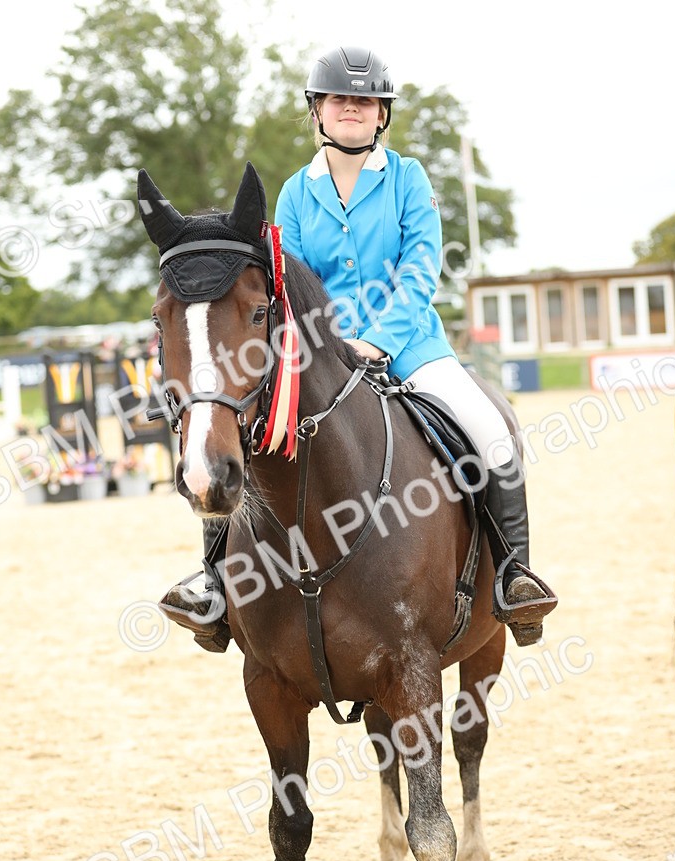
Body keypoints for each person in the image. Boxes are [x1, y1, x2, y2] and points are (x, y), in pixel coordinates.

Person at [161, 44, 556, 651]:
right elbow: (288, 281)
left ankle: (512, 576)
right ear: (317, 111)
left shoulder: (408, 179)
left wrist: (379, 339)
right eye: (339, 99)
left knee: (489, 429)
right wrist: (329, 345)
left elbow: (422, 271)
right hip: (320, 356)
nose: (352, 108)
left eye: (364, 101)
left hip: (414, 346)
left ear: (381, 116)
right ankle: (215, 583)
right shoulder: (294, 194)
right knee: (235, 431)